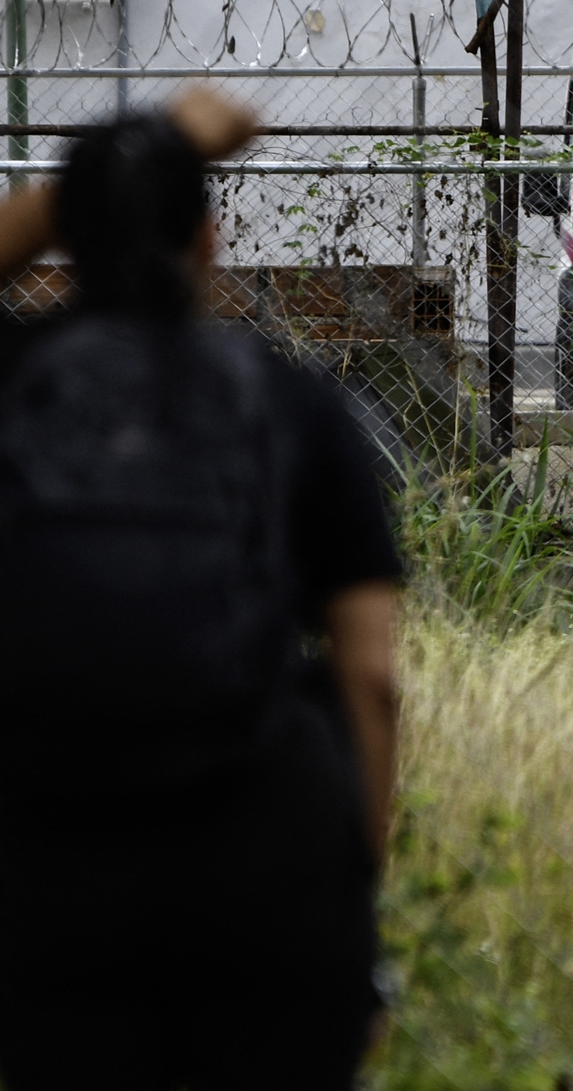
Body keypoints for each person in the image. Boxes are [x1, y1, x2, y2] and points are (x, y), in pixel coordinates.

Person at [0, 91, 403, 1090]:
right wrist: (352, 892)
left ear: (67, 246)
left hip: (48, 856)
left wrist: (109, 174)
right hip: (268, 851)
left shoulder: (15, 382)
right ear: (211, 241)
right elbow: (373, 673)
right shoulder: (296, 402)